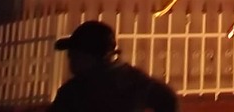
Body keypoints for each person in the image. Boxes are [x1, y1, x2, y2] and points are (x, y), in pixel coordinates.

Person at [49, 20, 177, 112]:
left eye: (74, 55)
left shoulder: (76, 90)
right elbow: (167, 98)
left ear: (88, 57)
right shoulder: (132, 78)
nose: (70, 60)